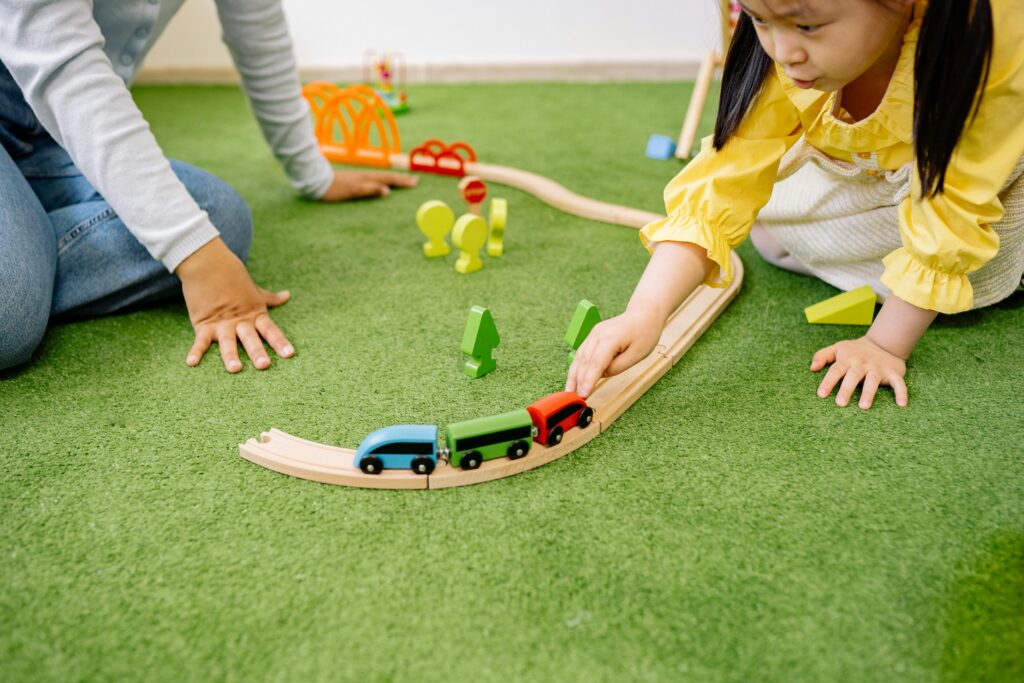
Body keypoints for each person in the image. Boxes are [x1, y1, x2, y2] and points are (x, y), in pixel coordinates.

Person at [567, 0, 1023, 410]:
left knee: (973, 259)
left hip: (981, 182)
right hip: (887, 175)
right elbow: (726, 176)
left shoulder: (990, 42)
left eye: (807, 26)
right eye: (759, 19)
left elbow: (955, 208)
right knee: (772, 235)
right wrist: (646, 313)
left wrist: (884, 346)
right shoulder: (783, 53)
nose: (783, 51)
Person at [0, 0, 416, 374]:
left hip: (59, 140)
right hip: (50, 108)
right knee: (8, 321)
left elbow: (258, 28)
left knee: (220, 217)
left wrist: (312, 173)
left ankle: (22, 251)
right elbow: (61, 61)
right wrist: (192, 252)